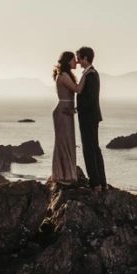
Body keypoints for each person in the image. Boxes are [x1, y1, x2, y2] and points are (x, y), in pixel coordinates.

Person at [50, 51, 92, 183]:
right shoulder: (62, 75)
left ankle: (66, 173)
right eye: (74, 60)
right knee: (63, 142)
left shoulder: (66, 74)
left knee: (68, 141)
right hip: (63, 111)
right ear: (67, 61)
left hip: (66, 110)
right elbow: (78, 89)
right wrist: (86, 73)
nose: (76, 62)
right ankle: (62, 175)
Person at [75, 46, 107, 191]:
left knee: (90, 149)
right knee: (94, 148)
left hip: (89, 117)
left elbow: (92, 97)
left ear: (85, 58)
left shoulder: (91, 74)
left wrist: (78, 109)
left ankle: (95, 183)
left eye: (79, 57)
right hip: (90, 116)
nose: (77, 60)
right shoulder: (90, 73)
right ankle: (101, 182)